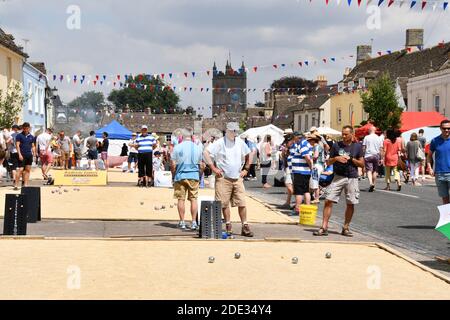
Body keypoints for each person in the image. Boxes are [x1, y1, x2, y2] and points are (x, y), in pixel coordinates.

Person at [204, 122, 254, 237]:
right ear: (227, 131)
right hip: (223, 178)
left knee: (242, 202)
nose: (234, 133)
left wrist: (246, 168)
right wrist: (213, 168)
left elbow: (250, 153)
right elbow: (206, 152)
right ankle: (228, 224)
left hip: (237, 178)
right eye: (232, 131)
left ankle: (245, 225)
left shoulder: (240, 142)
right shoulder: (220, 142)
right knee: (223, 203)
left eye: (236, 131)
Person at [313, 126, 364, 237]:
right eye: (343, 134)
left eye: (346, 134)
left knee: (351, 203)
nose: (344, 136)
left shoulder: (357, 147)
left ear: (352, 134)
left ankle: (345, 227)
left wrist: (351, 159)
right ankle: (324, 227)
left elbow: (362, 164)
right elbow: (328, 162)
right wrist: (336, 158)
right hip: (338, 177)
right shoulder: (336, 145)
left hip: (352, 177)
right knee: (328, 200)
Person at [171, 128, 203, 230]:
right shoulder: (197, 148)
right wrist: (199, 174)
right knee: (193, 199)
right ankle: (193, 222)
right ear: (192, 136)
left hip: (180, 175)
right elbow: (202, 165)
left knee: (181, 199)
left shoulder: (177, 147)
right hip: (193, 175)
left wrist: (174, 174)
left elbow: (173, 164)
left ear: (182, 136)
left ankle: (182, 221)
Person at [428, 120, 450, 204]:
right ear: (440, 128)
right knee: (445, 199)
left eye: (449, 128)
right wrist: (429, 167)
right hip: (440, 174)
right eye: (444, 128)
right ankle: (447, 217)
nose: (447, 130)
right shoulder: (435, 141)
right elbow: (429, 156)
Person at [290, 132, 313, 214]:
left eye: (294, 138)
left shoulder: (303, 144)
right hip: (304, 171)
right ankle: (307, 209)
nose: (293, 139)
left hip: (300, 171)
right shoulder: (304, 143)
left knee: (299, 191)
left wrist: (311, 166)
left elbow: (307, 157)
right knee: (306, 190)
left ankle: (297, 209)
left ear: (297, 137)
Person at [15, 122, 36, 190]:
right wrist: (19, 154)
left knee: (27, 170)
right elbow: (17, 145)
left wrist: (34, 153)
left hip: (29, 155)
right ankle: (16, 185)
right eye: (24, 128)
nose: (26, 129)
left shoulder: (31, 136)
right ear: (23, 128)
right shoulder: (19, 135)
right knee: (20, 170)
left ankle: (26, 185)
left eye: (27, 128)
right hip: (22, 155)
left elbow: (33, 146)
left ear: (29, 128)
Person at [362, 126, 383, 192]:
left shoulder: (366, 137)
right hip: (376, 155)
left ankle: (371, 183)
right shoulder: (378, 138)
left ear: (369, 130)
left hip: (368, 155)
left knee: (369, 170)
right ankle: (373, 184)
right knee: (375, 170)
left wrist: (363, 155)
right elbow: (381, 149)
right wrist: (381, 158)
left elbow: (363, 147)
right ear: (375, 130)